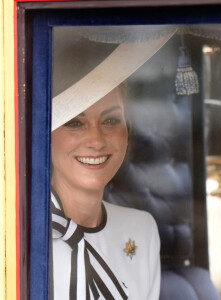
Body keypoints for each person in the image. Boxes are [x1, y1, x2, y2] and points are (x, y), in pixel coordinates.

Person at [50, 26, 176, 300]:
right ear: (44, 136)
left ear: (127, 131)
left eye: (110, 121)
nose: (96, 140)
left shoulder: (141, 230)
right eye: (74, 122)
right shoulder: (14, 235)